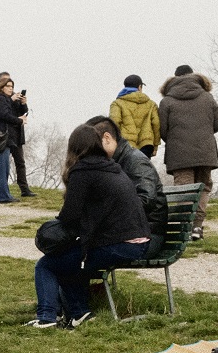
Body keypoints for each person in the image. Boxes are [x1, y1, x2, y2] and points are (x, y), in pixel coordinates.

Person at [26, 123, 152, 329]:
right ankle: (79, 314)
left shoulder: (82, 171)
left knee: (47, 264)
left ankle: (47, 318)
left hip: (120, 244)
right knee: (67, 262)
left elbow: (70, 215)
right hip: (139, 241)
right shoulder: (113, 167)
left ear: (74, 147)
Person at [160, 64, 218, 240]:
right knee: (203, 187)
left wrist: (175, 141)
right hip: (206, 152)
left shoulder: (167, 101)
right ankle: (197, 227)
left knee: (184, 190)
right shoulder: (207, 97)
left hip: (179, 154)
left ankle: (184, 226)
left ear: (174, 78)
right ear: (194, 76)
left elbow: (163, 130)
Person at [0, 75, 30, 203]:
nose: (10, 89)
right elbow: (5, 115)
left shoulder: (5, 99)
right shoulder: (0, 99)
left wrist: (23, 104)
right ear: (2, 87)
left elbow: (15, 112)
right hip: (3, 137)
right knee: (2, 168)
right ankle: (3, 196)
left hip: (6, 137)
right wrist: (19, 120)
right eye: (8, 86)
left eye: (12, 86)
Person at [109, 75, 160, 158]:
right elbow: (156, 124)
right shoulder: (151, 104)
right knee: (142, 169)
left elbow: (114, 123)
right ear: (139, 87)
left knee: (126, 169)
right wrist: (155, 146)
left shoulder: (117, 103)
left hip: (126, 145)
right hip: (146, 145)